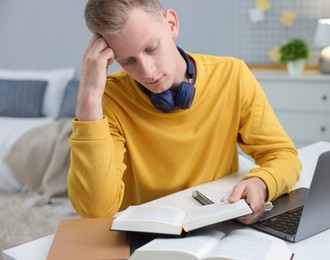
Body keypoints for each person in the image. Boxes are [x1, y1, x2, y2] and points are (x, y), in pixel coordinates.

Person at [68, 0, 301, 225]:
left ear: (171, 24)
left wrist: (262, 182)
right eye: (128, 61)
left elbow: (283, 154)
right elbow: (96, 211)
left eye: (151, 48)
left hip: (220, 226)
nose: (148, 71)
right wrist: (89, 98)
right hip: (146, 236)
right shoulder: (108, 100)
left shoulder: (232, 75)